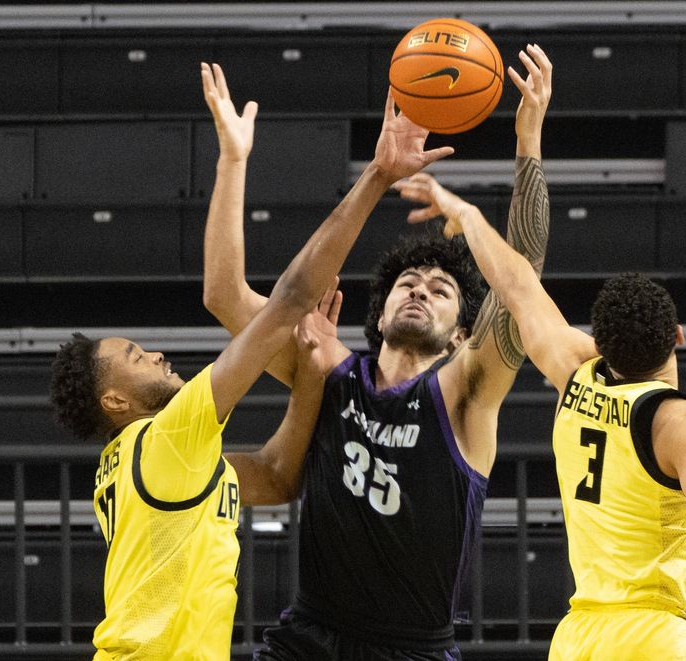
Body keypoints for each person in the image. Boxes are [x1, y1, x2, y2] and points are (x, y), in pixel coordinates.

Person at [47, 59, 447, 661]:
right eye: (134, 356)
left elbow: (279, 476)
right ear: (114, 400)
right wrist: (376, 176)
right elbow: (289, 299)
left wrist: (310, 374)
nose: (154, 353)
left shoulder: (147, 466)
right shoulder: (168, 438)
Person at [201, 46, 553, 659]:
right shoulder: (325, 368)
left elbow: (522, 284)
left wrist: (528, 142)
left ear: (462, 335)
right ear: (381, 313)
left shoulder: (465, 394)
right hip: (308, 640)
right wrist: (233, 160)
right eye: (407, 284)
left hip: (412, 649)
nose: (420, 290)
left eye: (441, 291)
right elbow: (225, 296)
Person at [395, 169, 686, 659]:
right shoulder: (684, 423)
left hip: (578, 639)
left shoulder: (574, 373)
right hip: (658, 637)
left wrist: (467, 213)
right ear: (677, 336)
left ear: (600, 345)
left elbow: (517, 285)